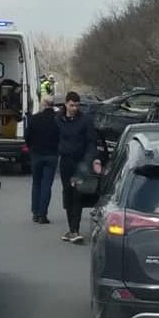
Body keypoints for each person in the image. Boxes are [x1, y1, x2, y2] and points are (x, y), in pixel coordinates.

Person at [56, 91, 102, 244]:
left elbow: (91, 143)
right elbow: (53, 137)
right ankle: (71, 229)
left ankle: (75, 230)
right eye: (71, 105)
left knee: (77, 194)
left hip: (80, 163)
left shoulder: (85, 121)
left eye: (76, 105)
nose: (74, 108)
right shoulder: (58, 119)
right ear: (66, 104)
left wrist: (88, 161)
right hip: (65, 162)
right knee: (68, 193)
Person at [24, 96, 59, 224]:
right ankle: (43, 214)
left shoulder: (35, 118)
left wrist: (30, 147)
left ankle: (35, 212)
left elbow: (27, 136)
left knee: (36, 184)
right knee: (46, 185)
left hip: (37, 154)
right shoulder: (57, 119)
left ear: (43, 105)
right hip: (52, 155)